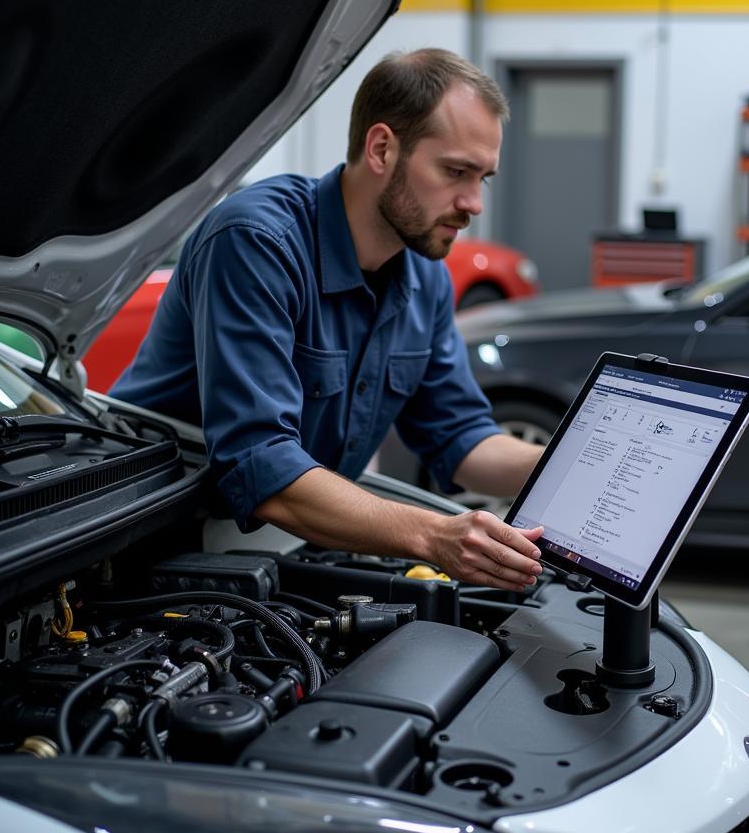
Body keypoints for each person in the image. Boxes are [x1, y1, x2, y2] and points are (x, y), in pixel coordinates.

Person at [112, 49, 545, 591]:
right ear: (382, 147)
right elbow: (263, 466)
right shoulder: (257, 241)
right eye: (456, 171)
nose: (473, 202)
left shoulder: (424, 275)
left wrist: (569, 464)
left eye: (484, 178)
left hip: (282, 542)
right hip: (145, 541)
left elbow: (459, 436)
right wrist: (435, 536)